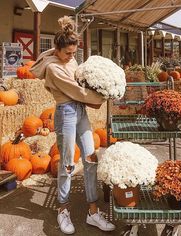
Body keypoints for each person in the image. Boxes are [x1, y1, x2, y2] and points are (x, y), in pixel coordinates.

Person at [30, 16, 115, 234]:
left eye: (74, 53)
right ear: (56, 50)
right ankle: (63, 209)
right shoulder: (54, 69)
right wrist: (104, 96)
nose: (71, 57)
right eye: (67, 53)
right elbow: (78, 91)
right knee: (67, 164)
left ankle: (93, 212)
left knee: (90, 158)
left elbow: (81, 82)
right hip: (66, 113)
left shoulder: (70, 60)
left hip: (80, 112)